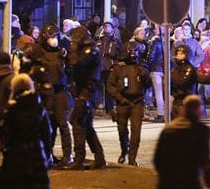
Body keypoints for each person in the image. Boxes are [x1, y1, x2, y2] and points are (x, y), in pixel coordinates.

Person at [66, 27, 107, 169]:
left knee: (77, 122)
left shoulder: (92, 51)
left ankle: (79, 159)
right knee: (86, 125)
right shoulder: (87, 50)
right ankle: (99, 157)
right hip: (82, 90)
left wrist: (73, 47)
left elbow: (77, 64)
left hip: (87, 92)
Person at [107, 45, 152, 166]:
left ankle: (132, 157)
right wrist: (120, 99)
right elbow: (110, 86)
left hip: (137, 102)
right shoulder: (118, 68)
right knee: (122, 129)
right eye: (131, 51)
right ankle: (124, 151)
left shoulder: (140, 67)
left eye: (135, 51)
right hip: (123, 102)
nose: (133, 54)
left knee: (136, 131)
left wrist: (145, 76)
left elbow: (148, 85)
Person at [39, 25, 74, 166]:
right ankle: (48, 154)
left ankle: (67, 155)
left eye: (55, 37)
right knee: (49, 126)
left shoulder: (62, 53)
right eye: (51, 37)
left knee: (62, 124)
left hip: (60, 91)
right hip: (47, 93)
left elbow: (70, 73)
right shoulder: (40, 53)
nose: (54, 40)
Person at [171, 45, 197, 119]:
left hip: (185, 99)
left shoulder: (189, 68)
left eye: (181, 54)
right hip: (177, 99)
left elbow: (181, 82)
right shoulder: (175, 68)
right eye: (177, 53)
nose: (178, 56)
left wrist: (171, 76)